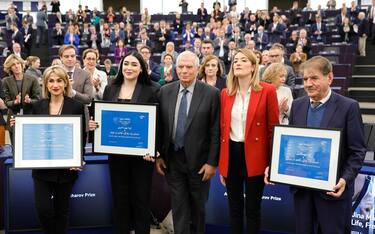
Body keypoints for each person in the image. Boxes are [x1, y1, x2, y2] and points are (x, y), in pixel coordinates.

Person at [266, 56, 366, 233]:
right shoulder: (297, 105)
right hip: (302, 193)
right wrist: (274, 166)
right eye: (305, 79)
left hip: (333, 193)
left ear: (329, 78)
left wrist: (344, 179)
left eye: (314, 78)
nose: (308, 84)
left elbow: (357, 151)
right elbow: (291, 145)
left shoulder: (349, 107)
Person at [89, 51, 159, 234]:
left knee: (141, 200)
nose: (129, 68)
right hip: (116, 155)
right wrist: (96, 124)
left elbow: (159, 122)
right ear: (121, 66)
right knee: (120, 199)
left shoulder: (153, 89)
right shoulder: (111, 88)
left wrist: (154, 148)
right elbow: (105, 117)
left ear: (142, 69)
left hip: (142, 157)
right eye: (126, 64)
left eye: (134, 64)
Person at [11, 65, 86, 234]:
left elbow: (81, 137)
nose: (55, 85)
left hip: (67, 168)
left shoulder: (76, 106)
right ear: (45, 84)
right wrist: (19, 126)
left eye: (59, 80)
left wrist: (79, 158)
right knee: (43, 209)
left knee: (62, 211)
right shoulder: (38, 106)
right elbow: (32, 134)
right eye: (51, 81)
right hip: (42, 168)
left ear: (66, 83)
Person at [155, 51, 220, 234]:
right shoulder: (165, 91)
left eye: (189, 67)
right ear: (176, 69)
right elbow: (160, 127)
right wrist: (158, 155)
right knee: (179, 208)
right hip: (172, 161)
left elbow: (216, 131)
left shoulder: (211, 93)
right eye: (181, 67)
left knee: (198, 209)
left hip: (200, 163)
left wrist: (212, 163)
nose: (184, 71)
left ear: (198, 69)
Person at [218, 48, 279, 234]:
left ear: (253, 67)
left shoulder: (267, 90)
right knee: (234, 209)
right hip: (232, 155)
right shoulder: (225, 93)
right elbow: (222, 130)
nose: (237, 63)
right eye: (235, 60)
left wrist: (271, 164)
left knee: (253, 209)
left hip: (256, 157)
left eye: (243, 60)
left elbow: (272, 130)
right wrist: (222, 165)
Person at [3, 54, 40, 144]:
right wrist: (15, 102)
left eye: (18, 63)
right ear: (10, 68)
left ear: (21, 64)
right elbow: (6, 102)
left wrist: (30, 101)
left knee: (30, 144)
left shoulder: (33, 79)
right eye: (13, 65)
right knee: (15, 146)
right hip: (13, 117)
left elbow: (38, 99)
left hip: (29, 115)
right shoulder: (6, 81)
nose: (16, 66)